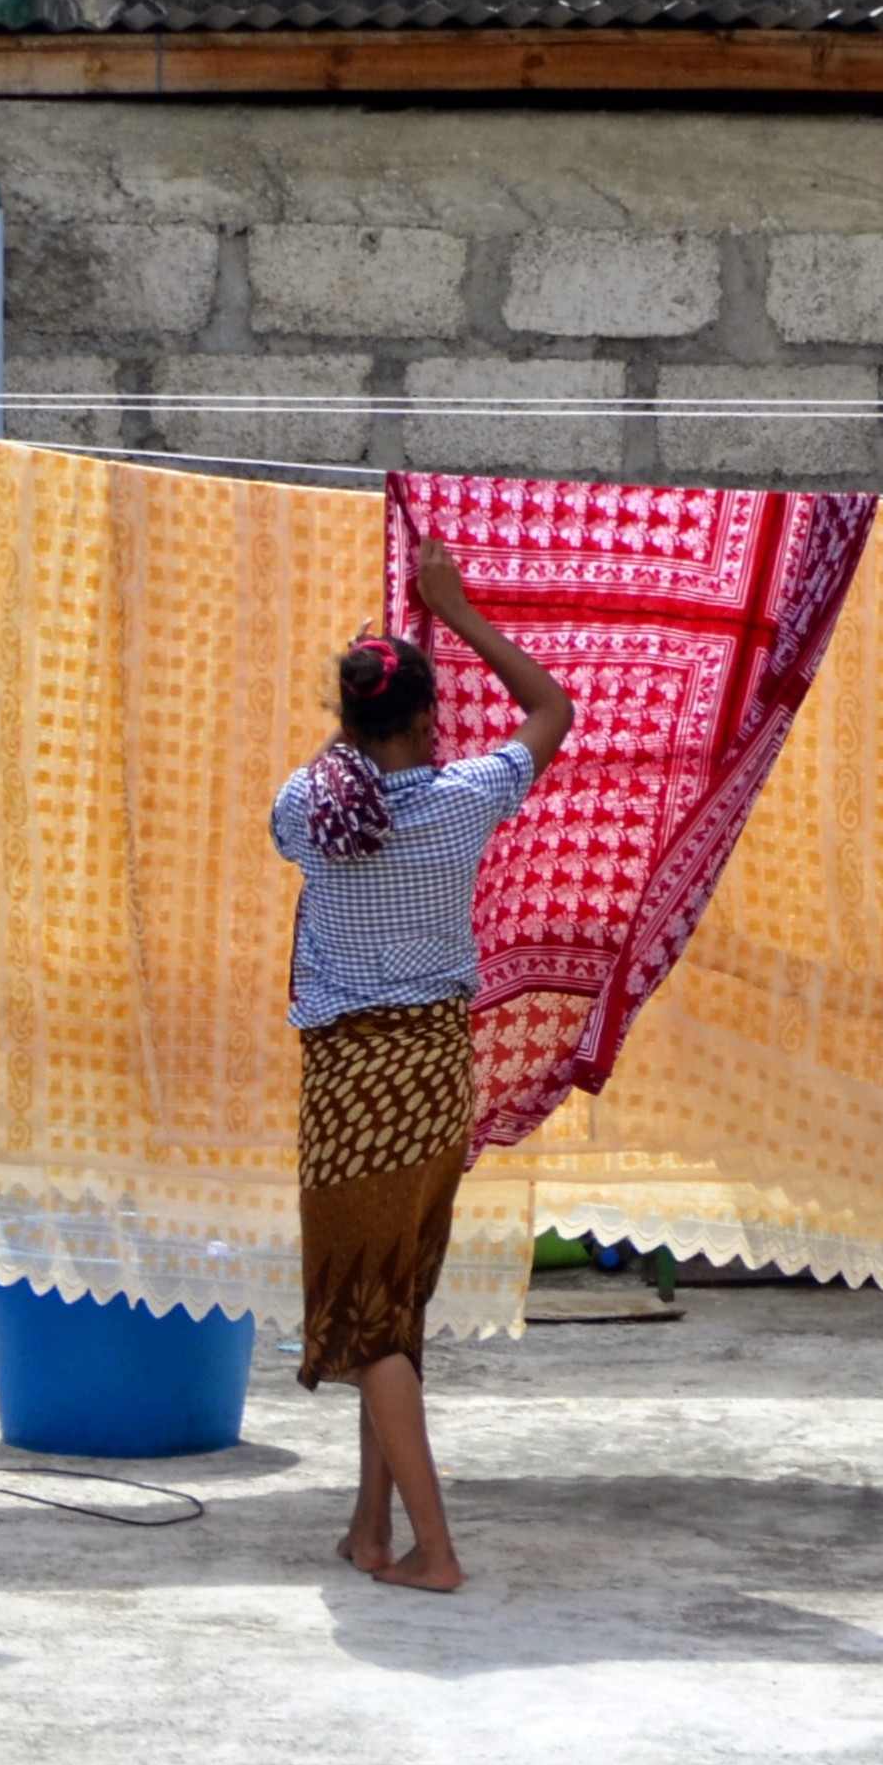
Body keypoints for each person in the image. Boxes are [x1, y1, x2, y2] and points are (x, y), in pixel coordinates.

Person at [269, 538, 575, 1595]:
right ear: (430, 720)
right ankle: (370, 1528)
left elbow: (329, 779)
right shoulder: (465, 797)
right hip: (438, 1077)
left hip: (353, 1087)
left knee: (367, 1321)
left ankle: (434, 1551)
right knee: (389, 1311)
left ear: (349, 722)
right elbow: (552, 708)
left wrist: (364, 705)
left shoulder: (309, 808)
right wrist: (459, 612)